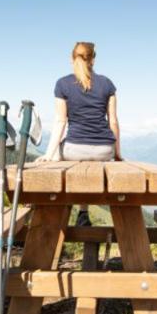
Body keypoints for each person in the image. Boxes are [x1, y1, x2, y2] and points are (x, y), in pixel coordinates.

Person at [48, 41, 120, 228]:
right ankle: (83, 213)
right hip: (105, 150)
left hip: (75, 149)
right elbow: (113, 121)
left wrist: (49, 155)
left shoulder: (62, 84)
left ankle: (72, 211)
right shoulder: (107, 84)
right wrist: (117, 154)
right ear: (93, 60)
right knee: (88, 164)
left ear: (71, 59)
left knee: (59, 155)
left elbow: (60, 121)